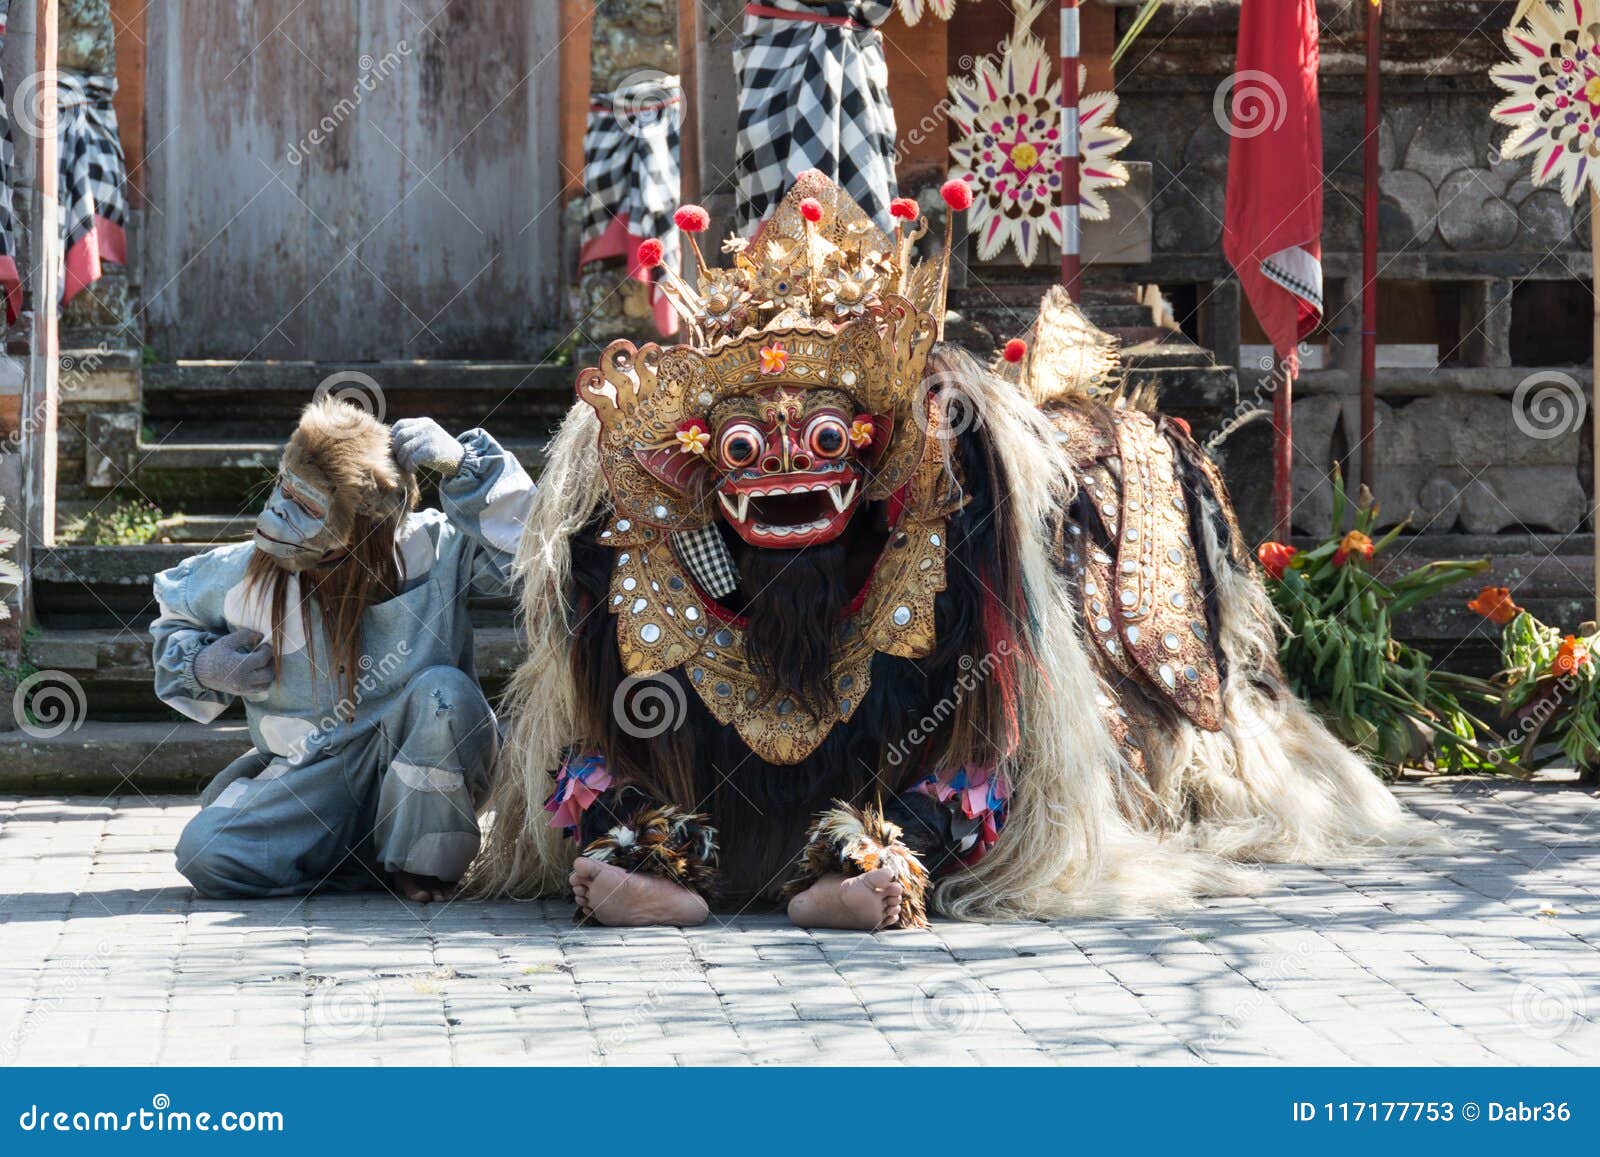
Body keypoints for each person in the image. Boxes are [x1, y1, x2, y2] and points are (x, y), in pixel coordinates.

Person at [470, 172, 1414, 929]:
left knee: (984, 763)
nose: (786, 471)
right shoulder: (647, 532)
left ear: (877, 449)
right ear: (702, 460)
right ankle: (644, 862)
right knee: (584, 767)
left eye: (827, 442)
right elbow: (601, 714)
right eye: (750, 450)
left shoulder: (952, 511)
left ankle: (885, 864)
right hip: (705, 713)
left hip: (911, 753)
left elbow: (989, 726)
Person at [154, 398, 533, 902]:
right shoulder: (241, 570)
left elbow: (535, 553)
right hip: (314, 770)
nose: (279, 512)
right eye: (283, 488)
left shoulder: (436, 548)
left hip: (423, 749)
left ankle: (420, 865)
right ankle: (360, 862)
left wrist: (467, 467)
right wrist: (205, 664)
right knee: (207, 853)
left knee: (443, 692)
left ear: (363, 522)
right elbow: (174, 624)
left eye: (308, 505)